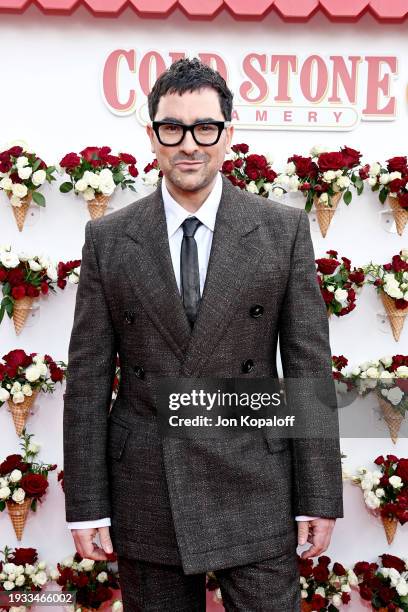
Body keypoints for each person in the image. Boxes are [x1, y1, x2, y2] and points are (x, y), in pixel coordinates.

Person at [63, 57, 344, 611]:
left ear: (228, 133)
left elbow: (309, 368)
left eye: (205, 127)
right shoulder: (109, 238)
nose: (189, 144)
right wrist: (87, 504)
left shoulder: (281, 230)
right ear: (152, 135)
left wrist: (318, 498)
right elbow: (88, 379)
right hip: (147, 479)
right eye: (173, 127)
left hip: (256, 476)